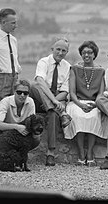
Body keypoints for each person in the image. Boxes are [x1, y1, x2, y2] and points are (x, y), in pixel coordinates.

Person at [63, 41, 108, 166]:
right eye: (84, 52)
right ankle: (80, 153)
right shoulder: (75, 69)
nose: (86, 55)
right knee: (78, 116)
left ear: (94, 54)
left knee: (93, 116)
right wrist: (80, 105)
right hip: (77, 102)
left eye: (89, 52)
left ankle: (89, 152)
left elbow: (100, 94)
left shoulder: (101, 71)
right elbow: (72, 93)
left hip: (94, 103)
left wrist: (94, 105)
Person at [29, 37, 72, 166]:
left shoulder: (67, 66)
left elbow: (65, 91)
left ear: (67, 52)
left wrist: (53, 101)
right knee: (34, 85)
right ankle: (62, 114)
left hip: (55, 100)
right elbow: (40, 82)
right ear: (52, 49)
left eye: (64, 50)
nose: (60, 53)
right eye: (58, 49)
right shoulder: (44, 62)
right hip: (39, 98)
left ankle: (51, 153)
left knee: (53, 113)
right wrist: (52, 100)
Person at [0, 8, 21, 112]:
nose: (16, 26)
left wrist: (17, 69)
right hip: (0, 79)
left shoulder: (13, 40)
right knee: (0, 111)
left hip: (14, 78)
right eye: (13, 23)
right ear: (3, 22)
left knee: (13, 111)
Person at [0, 79, 37, 151]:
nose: (22, 95)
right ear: (14, 92)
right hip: (5, 131)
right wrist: (16, 127)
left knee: (36, 138)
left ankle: (20, 152)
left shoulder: (30, 102)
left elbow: (33, 123)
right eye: (19, 92)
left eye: (25, 93)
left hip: (21, 132)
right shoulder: (5, 102)